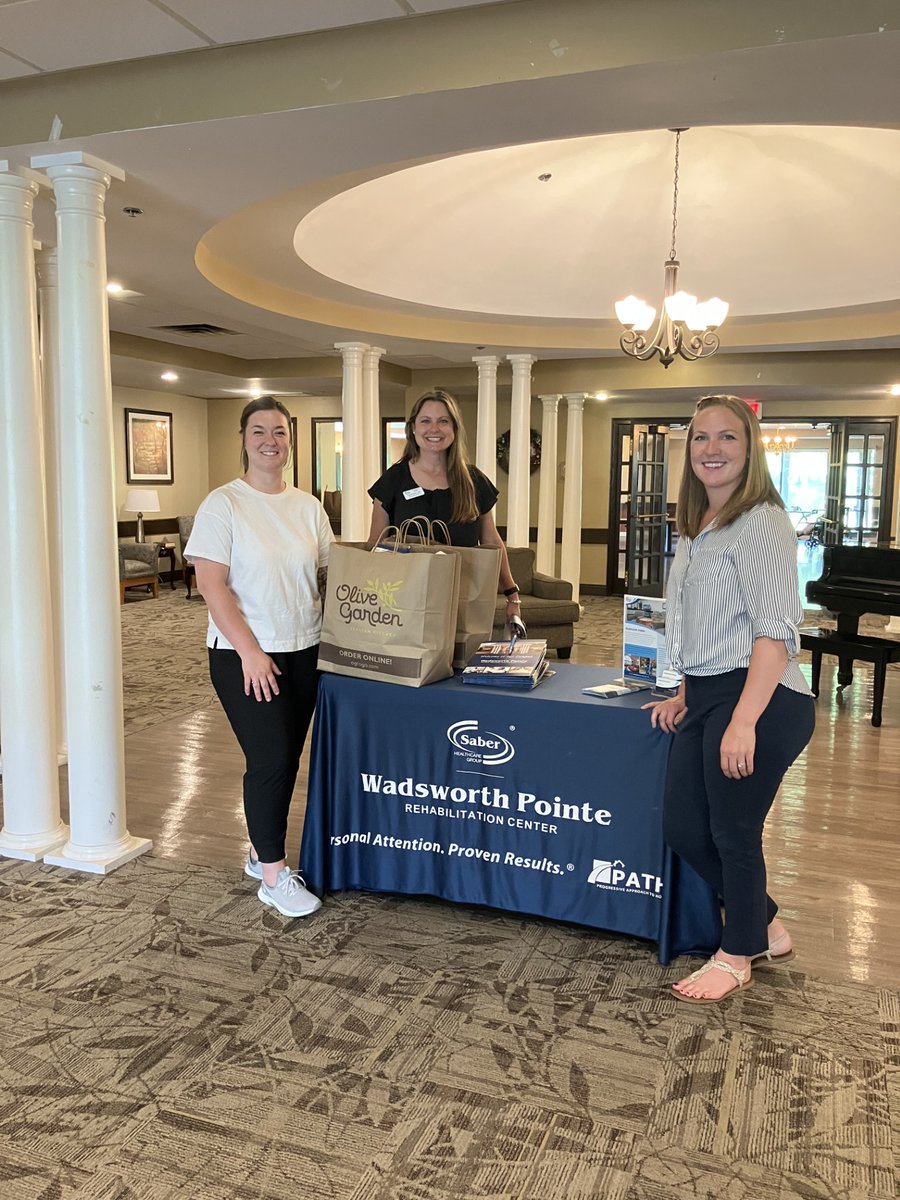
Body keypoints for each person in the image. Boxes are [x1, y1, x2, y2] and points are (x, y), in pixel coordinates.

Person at [643, 395, 815, 1004]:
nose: (711, 449)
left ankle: (737, 953)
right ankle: (763, 922)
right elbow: (699, 624)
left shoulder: (763, 521)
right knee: (685, 827)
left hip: (764, 696)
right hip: (711, 691)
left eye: (727, 438)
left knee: (733, 832)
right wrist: (687, 690)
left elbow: (773, 632)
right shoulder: (697, 530)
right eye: (700, 439)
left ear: (750, 449)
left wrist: (744, 719)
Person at [186, 396, 333, 918]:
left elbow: (326, 576)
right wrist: (250, 652)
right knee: (270, 760)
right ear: (243, 439)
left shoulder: (308, 506)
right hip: (245, 654)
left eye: (280, 431)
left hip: (305, 649)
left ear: (291, 439)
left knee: (286, 758)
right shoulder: (223, 504)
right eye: (259, 431)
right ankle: (273, 875)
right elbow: (211, 585)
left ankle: (257, 849)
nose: (271, 440)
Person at [367, 388, 521, 621]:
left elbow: (491, 541)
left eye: (443, 421)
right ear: (413, 428)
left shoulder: (473, 481)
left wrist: (512, 594)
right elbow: (376, 545)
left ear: (454, 429)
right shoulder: (393, 481)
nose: (434, 429)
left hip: (463, 602)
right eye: (425, 421)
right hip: (405, 606)